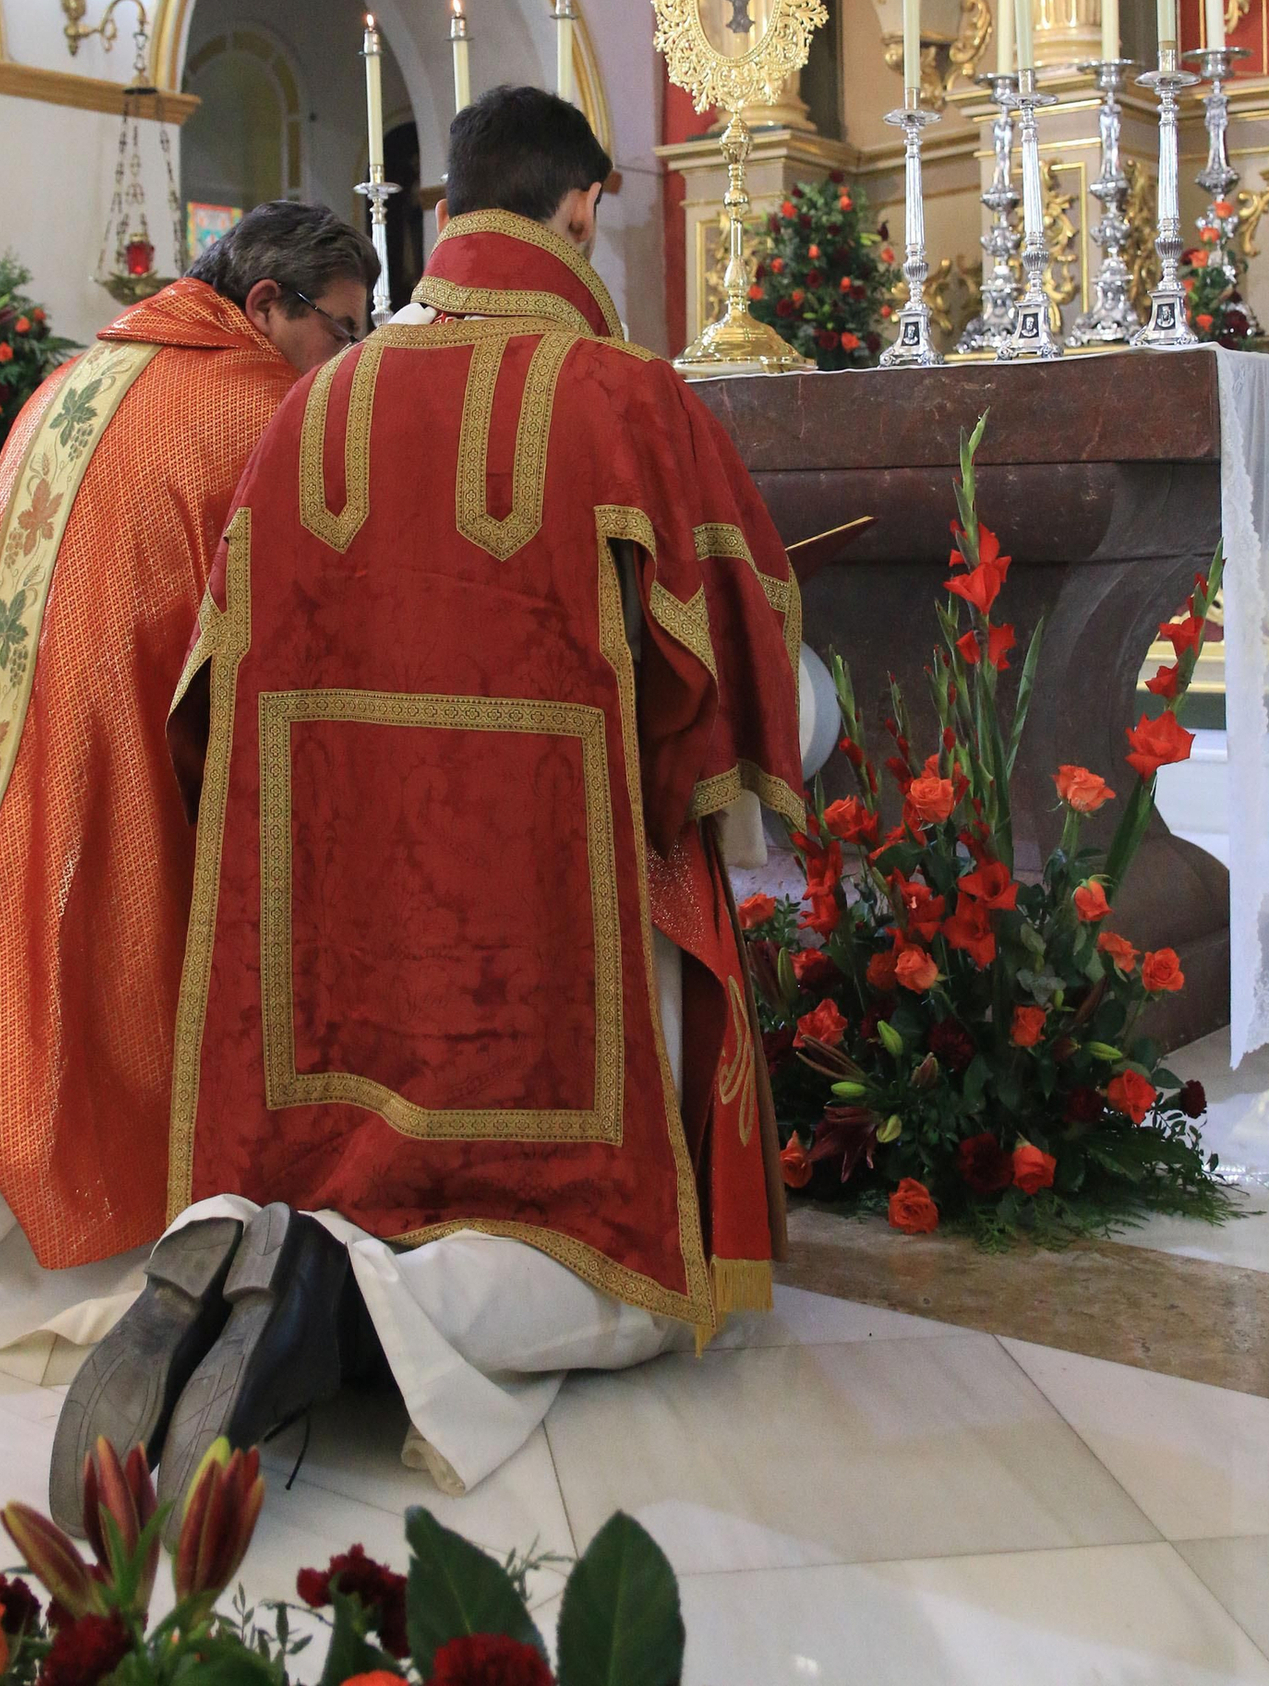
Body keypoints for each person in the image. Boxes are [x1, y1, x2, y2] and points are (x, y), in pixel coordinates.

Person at [53, 86, 805, 1518]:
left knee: (337, 1175)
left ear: (448, 217)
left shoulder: (310, 401)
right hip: (544, 991)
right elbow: (742, 691)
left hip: (331, 999)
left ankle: (234, 1240)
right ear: (582, 210)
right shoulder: (631, 398)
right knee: (646, 1285)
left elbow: (209, 707)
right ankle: (338, 1308)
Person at [0, 204, 377, 1348]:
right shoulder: (251, 411)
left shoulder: (75, 382)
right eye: (339, 336)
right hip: (113, 791)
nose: (342, 367)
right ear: (265, 310)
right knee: (56, 1093)